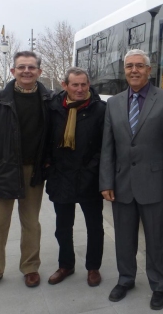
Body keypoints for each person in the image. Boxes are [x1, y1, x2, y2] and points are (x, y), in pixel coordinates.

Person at [99, 49, 163, 311]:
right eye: (129, 66)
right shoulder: (113, 103)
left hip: (155, 183)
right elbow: (107, 147)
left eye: (139, 66)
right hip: (122, 184)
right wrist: (106, 182)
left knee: (156, 240)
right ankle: (125, 279)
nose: (134, 70)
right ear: (124, 71)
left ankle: (159, 286)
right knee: (124, 239)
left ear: (149, 70)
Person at [0, 51, 52, 293]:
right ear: (13, 72)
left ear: (39, 71)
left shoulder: (49, 100)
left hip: (33, 171)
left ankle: (30, 267)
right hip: (2, 170)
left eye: (31, 67)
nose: (26, 71)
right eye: (21, 67)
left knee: (31, 223)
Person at [46, 67, 106, 287]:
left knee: (94, 226)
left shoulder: (100, 109)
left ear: (88, 85)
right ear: (65, 86)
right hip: (60, 176)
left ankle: (93, 268)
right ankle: (66, 265)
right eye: (75, 85)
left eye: (84, 84)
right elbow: (46, 139)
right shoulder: (53, 108)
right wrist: (49, 165)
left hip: (89, 177)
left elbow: (105, 146)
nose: (80, 89)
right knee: (63, 226)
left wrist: (91, 169)